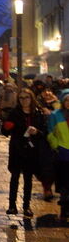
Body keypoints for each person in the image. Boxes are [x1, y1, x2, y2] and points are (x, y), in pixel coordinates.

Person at [2, 88, 49, 217]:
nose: (24, 100)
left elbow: (44, 133)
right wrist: (7, 126)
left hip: (32, 150)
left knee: (28, 179)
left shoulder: (38, 113)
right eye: (21, 98)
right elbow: (5, 132)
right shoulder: (14, 113)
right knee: (15, 177)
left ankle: (26, 206)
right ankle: (12, 205)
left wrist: (37, 132)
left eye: (26, 97)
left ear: (31, 98)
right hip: (17, 149)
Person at [47, 88, 69, 220]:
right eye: (67, 100)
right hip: (62, 153)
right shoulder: (56, 115)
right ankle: (64, 208)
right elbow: (50, 132)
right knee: (64, 182)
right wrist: (56, 146)